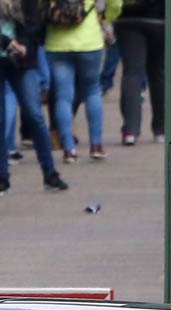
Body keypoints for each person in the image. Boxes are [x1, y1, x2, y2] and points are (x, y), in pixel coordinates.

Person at [0, 0, 68, 193]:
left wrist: (23, 45)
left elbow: (35, 22)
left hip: (21, 59)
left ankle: (50, 173)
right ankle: (2, 177)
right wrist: (7, 42)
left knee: (35, 115)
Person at [45, 0, 119, 163]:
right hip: (89, 40)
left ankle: (69, 149)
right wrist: (105, 18)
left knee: (63, 96)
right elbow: (115, 4)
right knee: (92, 91)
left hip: (57, 42)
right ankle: (96, 145)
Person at [112, 0, 158, 145]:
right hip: (160, 18)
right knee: (159, 74)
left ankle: (130, 130)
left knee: (132, 73)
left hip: (127, 17)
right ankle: (161, 129)